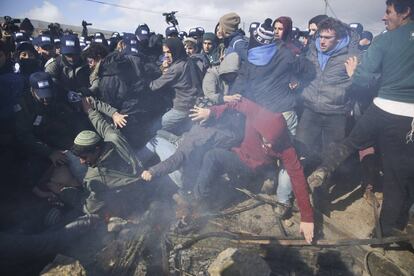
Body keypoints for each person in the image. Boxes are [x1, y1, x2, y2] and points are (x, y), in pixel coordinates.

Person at [308, 0, 414, 237]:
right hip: (409, 119)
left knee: (350, 142)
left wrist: (353, 75)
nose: (384, 18)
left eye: (388, 12)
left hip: (382, 107)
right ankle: (383, 235)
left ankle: (324, 169)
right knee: (396, 178)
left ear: (405, 11)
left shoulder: (385, 40)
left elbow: (364, 81)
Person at [189, 98, 314, 244]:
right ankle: (200, 201)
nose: (267, 144)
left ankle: (261, 185)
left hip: (256, 170)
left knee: (260, 180)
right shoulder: (256, 112)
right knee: (212, 155)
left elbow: (297, 177)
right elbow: (236, 103)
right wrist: (211, 111)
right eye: (265, 139)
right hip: (239, 156)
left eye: (272, 143)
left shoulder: (286, 147)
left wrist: (307, 218)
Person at [296, 17, 359, 161]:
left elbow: (361, 86)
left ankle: (324, 182)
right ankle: (301, 181)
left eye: (327, 37)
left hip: (335, 113)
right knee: (300, 150)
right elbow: (303, 72)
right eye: (320, 36)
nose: (322, 41)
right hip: (310, 109)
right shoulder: (312, 50)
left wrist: (354, 76)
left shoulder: (351, 57)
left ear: (339, 38)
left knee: (330, 156)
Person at [71, 97, 142, 217]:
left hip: (132, 193)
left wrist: (64, 193)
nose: (81, 161)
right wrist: (90, 111)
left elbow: (90, 207)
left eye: (84, 157)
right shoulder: (114, 138)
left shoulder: (95, 177)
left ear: (96, 150)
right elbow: (102, 125)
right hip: (138, 171)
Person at [149, 37, 202, 135]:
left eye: (169, 52)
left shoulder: (176, 68)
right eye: (164, 53)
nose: (166, 56)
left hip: (181, 109)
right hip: (193, 104)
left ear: (176, 50)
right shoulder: (188, 61)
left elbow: (153, 86)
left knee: (154, 128)